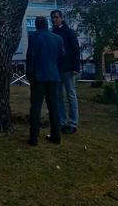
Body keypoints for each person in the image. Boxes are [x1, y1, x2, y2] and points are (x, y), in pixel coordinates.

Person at [26, 16, 65, 146]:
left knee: (36, 106)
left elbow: (30, 57)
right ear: (47, 25)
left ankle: (34, 137)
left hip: (38, 77)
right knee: (53, 106)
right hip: (53, 76)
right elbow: (61, 58)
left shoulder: (33, 37)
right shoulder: (58, 39)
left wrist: (29, 74)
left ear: (36, 25)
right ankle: (56, 136)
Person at [50, 10, 80, 134]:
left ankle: (73, 123)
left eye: (56, 17)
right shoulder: (52, 33)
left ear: (61, 18)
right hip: (57, 70)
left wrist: (75, 67)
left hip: (68, 69)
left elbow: (75, 49)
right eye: (53, 18)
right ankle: (62, 122)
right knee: (58, 97)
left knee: (71, 95)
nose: (54, 20)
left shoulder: (69, 32)